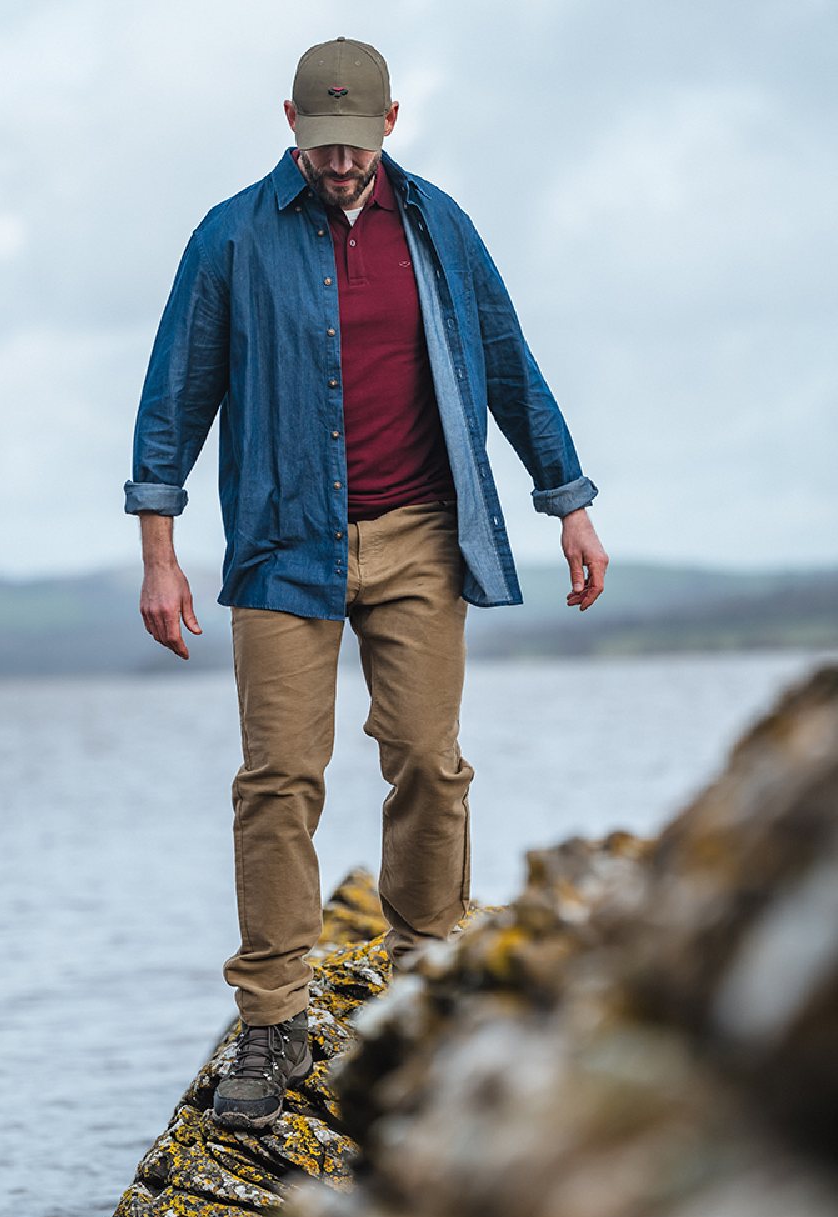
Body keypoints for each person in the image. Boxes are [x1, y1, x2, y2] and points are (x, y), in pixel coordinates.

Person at [124, 36, 608, 1131]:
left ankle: (428, 982)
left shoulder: (439, 228)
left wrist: (567, 500)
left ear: (390, 125)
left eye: (353, 144)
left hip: (418, 535)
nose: (336, 162)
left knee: (429, 761)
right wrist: (159, 553)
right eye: (316, 143)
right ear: (285, 122)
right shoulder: (233, 236)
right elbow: (173, 398)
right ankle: (272, 1015)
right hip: (282, 546)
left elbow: (507, 365)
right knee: (279, 779)